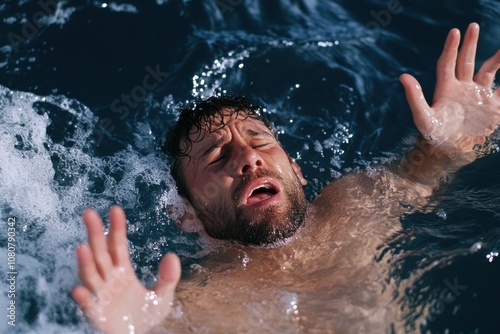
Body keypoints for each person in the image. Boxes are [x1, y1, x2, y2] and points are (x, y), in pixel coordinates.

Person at [72, 22, 500, 333]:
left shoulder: (353, 206)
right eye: (217, 155)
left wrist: (455, 142)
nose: (247, 158)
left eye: (259, 141)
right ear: (186, 214)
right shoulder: (206, 299)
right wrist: (134, 328)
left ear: (294, 170)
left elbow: (425, 170)